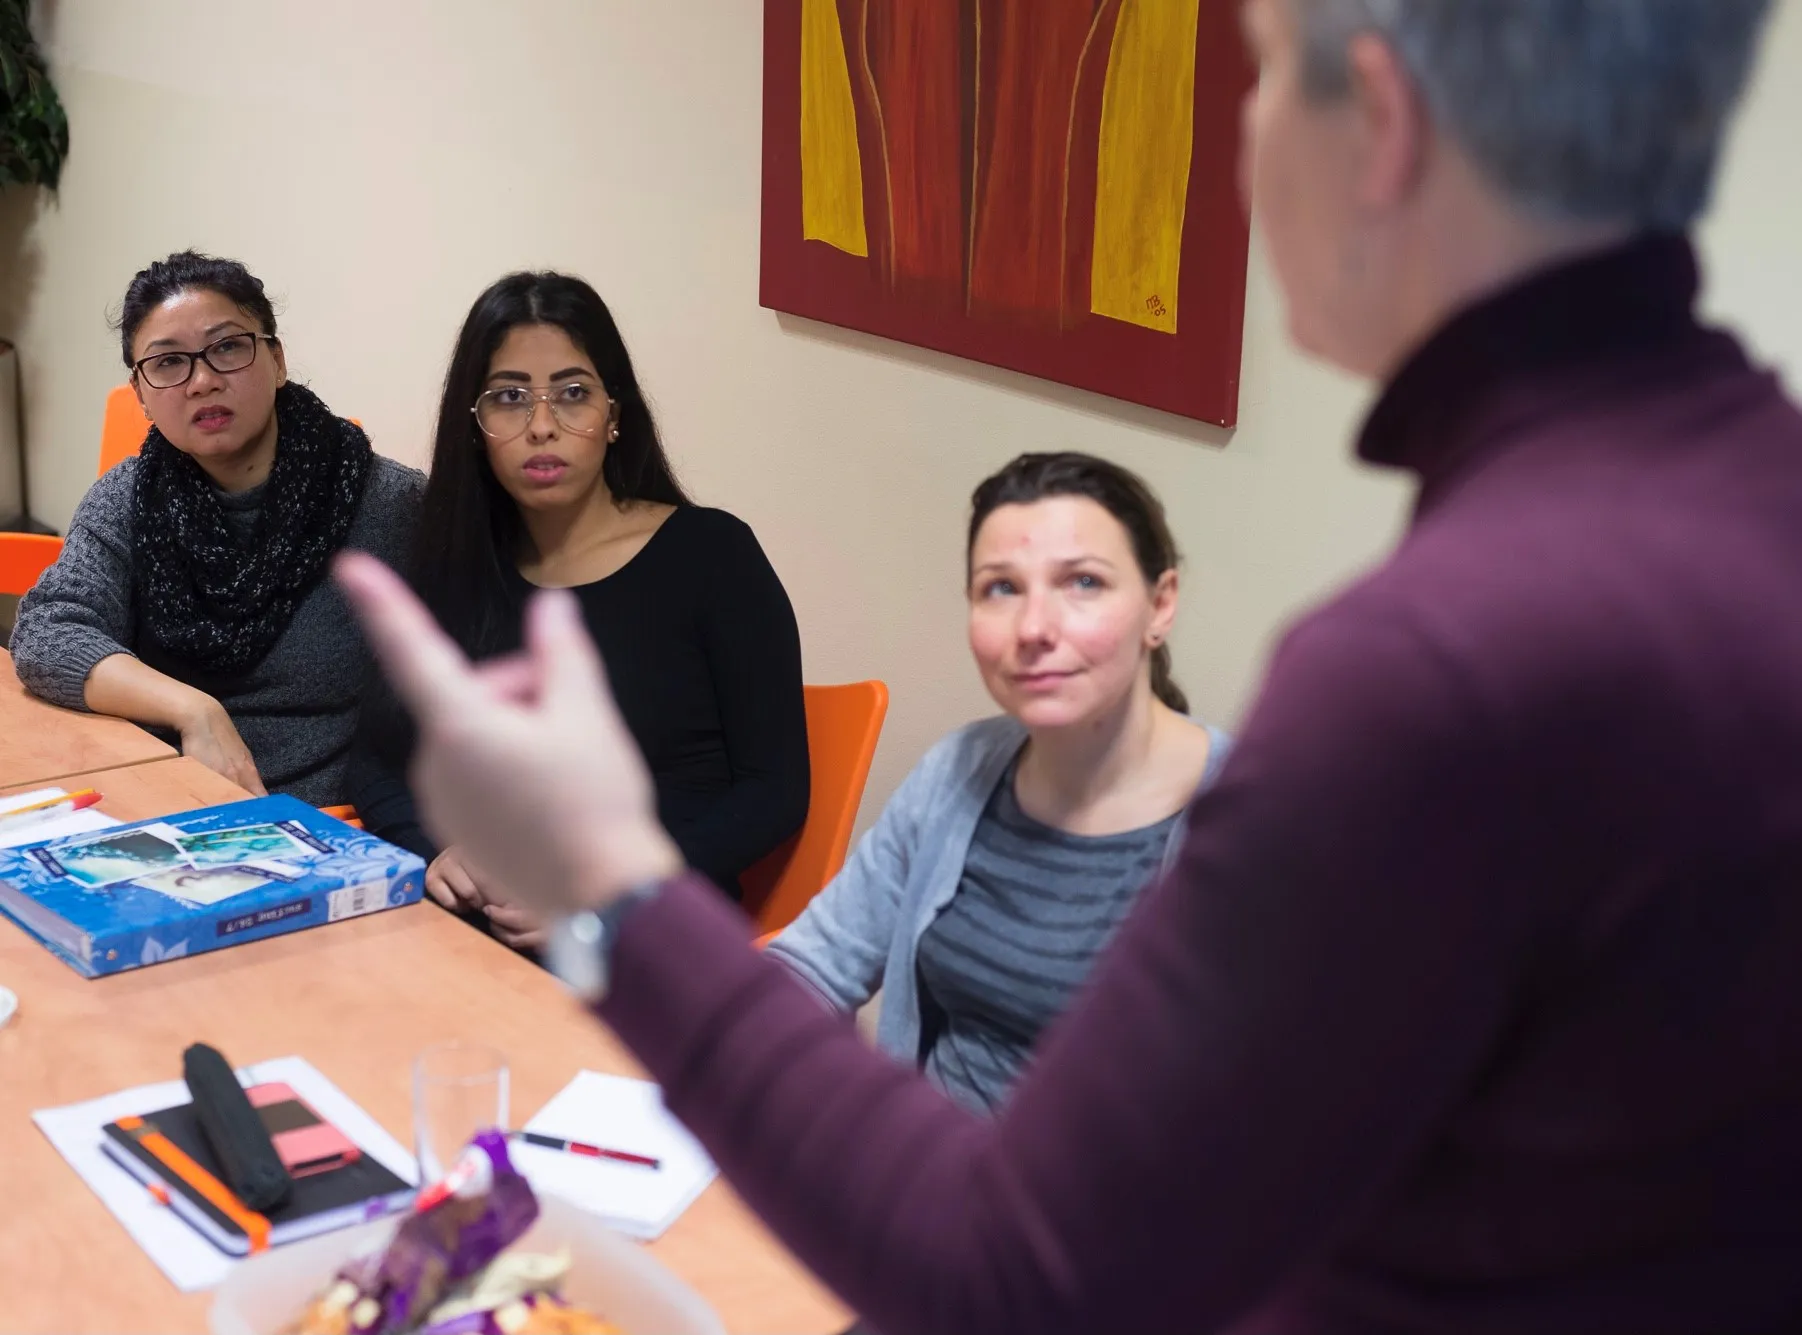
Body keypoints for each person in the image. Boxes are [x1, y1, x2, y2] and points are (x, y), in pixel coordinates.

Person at [338, 1, 1802, 1331]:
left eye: (1257, 76)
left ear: (1380, 121)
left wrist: (608, 881)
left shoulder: (1432, 673)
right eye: (1001, 586)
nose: (1240, 138)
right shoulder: (1745, 506)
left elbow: (1016, 1269)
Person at [345, 272, 807, 951]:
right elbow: (377, 758)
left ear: (614, 414)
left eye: (572, 393)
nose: (542, 427)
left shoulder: (711, 554)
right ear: (474, 425)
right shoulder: (461, 564)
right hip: (477, 934)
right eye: (509, 397)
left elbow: (774, 790)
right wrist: (435, 848)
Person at [768, 452, 1229, 1113]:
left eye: (1084, 582)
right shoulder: (957, 771)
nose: (1034, 629)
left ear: (1160, 605)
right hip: (919, 1159)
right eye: (1002, 588)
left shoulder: (1254, 823)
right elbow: (812, 966)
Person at [10, 251, 422, 804]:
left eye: (227, 347)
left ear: (276, 360)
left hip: (326, 815)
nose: (202, 382)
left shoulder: (386, 502)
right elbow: (48, 633)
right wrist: (194, 709)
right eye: (168, 362)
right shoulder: (129, 497)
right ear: (141, 394)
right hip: (160, 796)